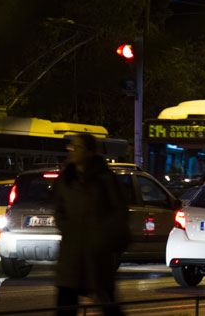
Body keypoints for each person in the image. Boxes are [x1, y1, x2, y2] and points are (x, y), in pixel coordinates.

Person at [54, 133, 130, 316]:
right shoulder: (66, 179)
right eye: (71, 147)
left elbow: (119, 213)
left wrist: (101, 238)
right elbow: (59, 212)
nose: (72, 151)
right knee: (65, 307)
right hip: (71, 258)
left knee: (109, 306)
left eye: (78, 147)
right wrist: (68, 230)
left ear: (89, 152)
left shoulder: (105, 179)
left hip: (96, 258)